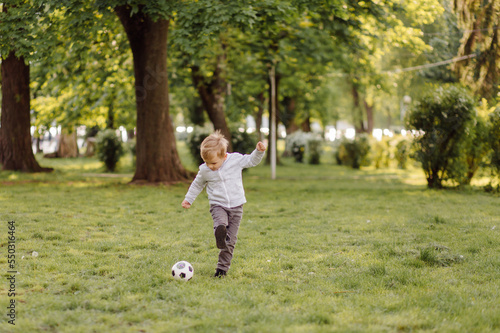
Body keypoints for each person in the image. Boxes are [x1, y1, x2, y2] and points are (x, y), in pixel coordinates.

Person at [182, 130, 266, 277]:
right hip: (218, 204)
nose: (211, 166)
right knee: (220, 223)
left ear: (224, 155)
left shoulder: (235, 160)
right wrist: (188, 199)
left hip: (237, 206)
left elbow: (251, 161)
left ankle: (222, 270)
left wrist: (258, 152)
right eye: (207, 162)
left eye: (213, 163)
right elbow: (197, 185)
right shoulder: (205, 170)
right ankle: (219, 231)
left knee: (230, 241)